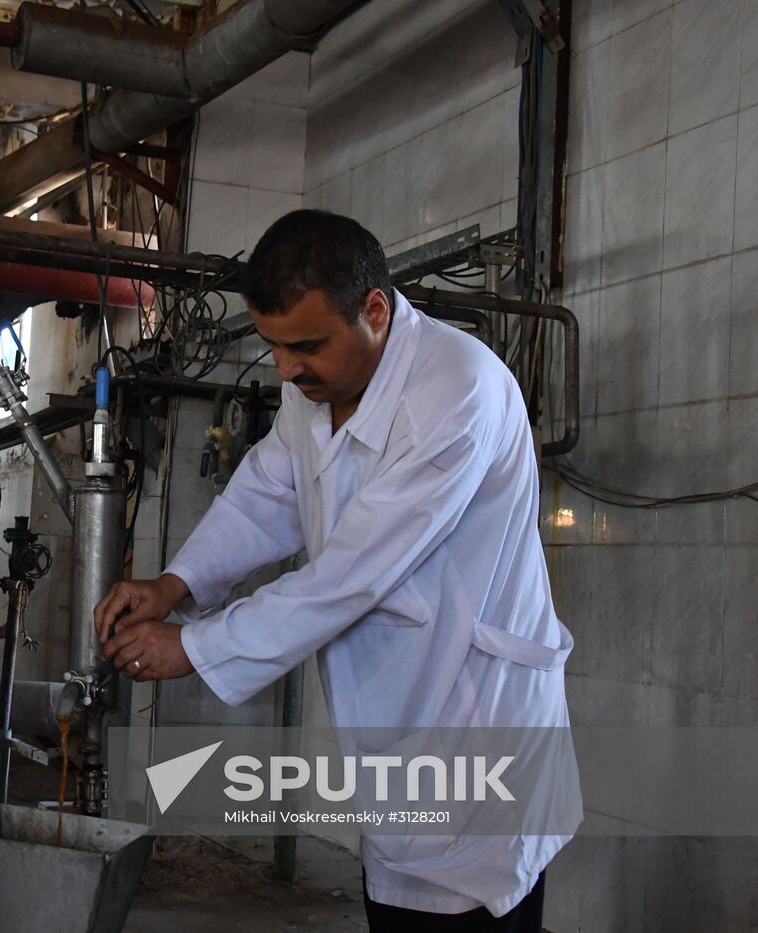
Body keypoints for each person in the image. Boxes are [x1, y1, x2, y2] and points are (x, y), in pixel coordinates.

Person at [94, 210, 579, 931]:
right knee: (401, 906)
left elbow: (353, 573)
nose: (287, 370)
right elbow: (268, 492)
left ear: (375, 311)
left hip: (476, 724)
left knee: (469, 911)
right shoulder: (315, 388)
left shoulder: (456, 391)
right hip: (401, 727)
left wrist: (194, 645)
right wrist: (175, 585)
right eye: (276, 347)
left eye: (307, 346)